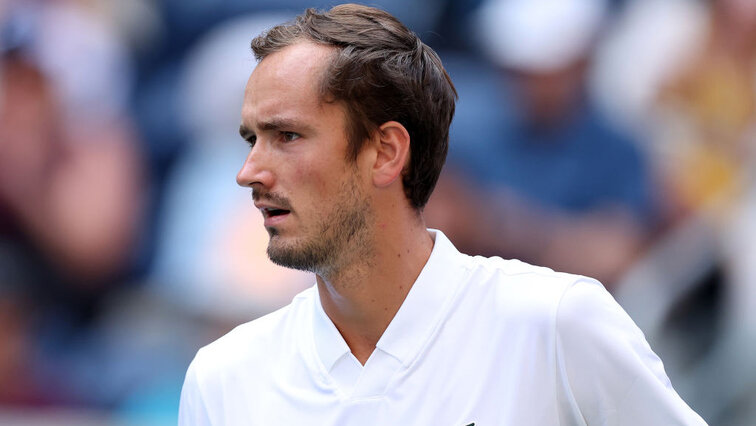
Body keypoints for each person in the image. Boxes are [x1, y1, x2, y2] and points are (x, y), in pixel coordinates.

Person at [178, 4, 706, 424]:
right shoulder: (222, 379)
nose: (248, 172)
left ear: (386, 152)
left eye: (286, 136)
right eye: (252, 139)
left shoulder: (558, 325)